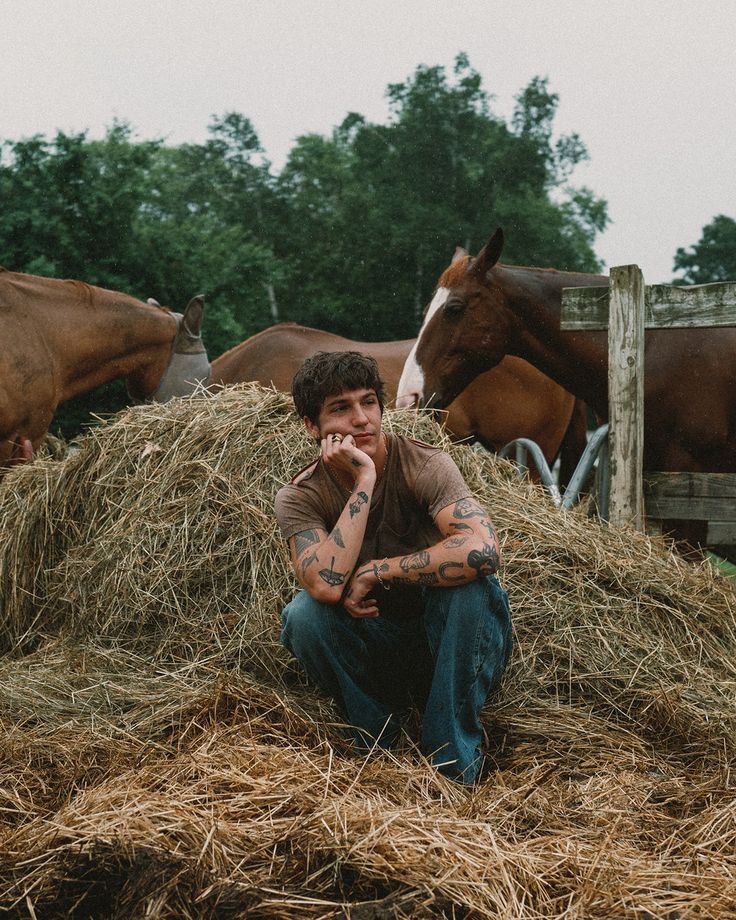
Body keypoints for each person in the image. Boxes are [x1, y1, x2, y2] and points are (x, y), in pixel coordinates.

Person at [274, 351, 512, 783]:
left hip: (448, 639)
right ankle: (377, 743)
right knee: (303, 616)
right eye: (340, 409)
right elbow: (324, 586)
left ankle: (452, 760)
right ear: (313, 426)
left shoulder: (425, 463)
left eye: (369, 402)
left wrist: (378, 570)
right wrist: (363, 483)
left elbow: (483, 550)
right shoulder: (301, 496)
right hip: (378, 646)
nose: (362, 419)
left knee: (471, 589)